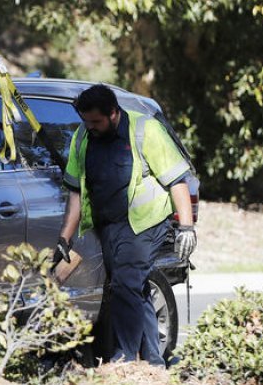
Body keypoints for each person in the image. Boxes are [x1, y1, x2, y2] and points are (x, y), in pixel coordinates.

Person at [55, 84, 196, 366]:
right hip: (109, 226)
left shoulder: (146, 131)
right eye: (86, 121)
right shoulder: (83, 137)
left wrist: (186, 227)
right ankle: (154, 362)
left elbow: (176, 180)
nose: (90, 127)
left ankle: (126, 358)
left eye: (96, 121)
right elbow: (75, 191)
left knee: (125, 284)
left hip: (146, 223)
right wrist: (64, 238)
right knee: (134, 288)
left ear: (114, 113)